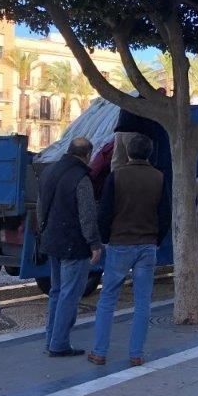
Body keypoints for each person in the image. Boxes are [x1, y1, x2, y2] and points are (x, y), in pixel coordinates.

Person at [88, 134, 171, 366]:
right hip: (147, 245)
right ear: (149, 154)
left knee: (108, 299)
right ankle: (136, 353)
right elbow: (165, 213)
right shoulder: (159, 177)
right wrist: (156, 239)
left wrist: (104, 238)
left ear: (128, 153)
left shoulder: (117, 176)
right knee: (142, 301)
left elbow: (105, 211)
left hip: (119, 243)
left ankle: (99, 351)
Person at [37, 137, 102, 357]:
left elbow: (40, 206)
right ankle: (59, 344)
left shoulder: (49, 172)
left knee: (56, 292)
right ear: (87, 155)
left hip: (51, 240)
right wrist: (94, 243)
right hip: (73, 244)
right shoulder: (81, 178)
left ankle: (51, 340)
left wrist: (42, 231)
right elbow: (87, 214)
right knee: (69, 294)